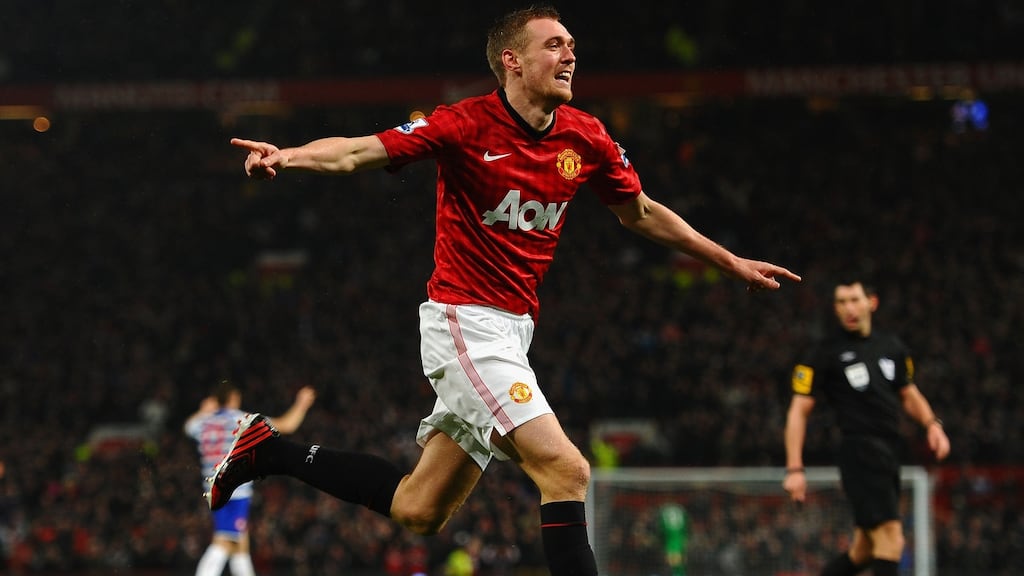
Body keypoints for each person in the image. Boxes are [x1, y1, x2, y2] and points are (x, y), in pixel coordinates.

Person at [216, 6, 801, 575]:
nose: (570, 52)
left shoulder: (587, 138)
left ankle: (269, 450)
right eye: (554, 44)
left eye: (572, 44)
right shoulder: (464, 124)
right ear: (512, 61)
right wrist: (287, 156)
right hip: (464, 323)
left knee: (420, 508)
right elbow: (358, 150)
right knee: (567, 470)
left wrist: (729, 262)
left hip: (513, 333)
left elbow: (641, 212)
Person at [782, 277, 950, 576]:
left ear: (871, 303)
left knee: (863, 550)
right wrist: (795, 468)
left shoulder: (892, 346)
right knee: (891, 539)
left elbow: (908, 393)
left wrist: (932, 424)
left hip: (889, 450)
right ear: (834, 308)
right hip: (860, 450)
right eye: (841, 302)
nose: (849, 308)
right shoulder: (823, 352)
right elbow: (798, 411)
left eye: (855, 300)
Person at [184, 381, 316, 576]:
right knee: (225, 543)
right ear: (234, 399)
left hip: (213, 489)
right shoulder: (241, 420)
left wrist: (203, 411)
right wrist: (302, 404)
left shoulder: (202, 423)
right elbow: (287, 425)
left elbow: (188, 427)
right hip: (235, 491)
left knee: (240, 545)